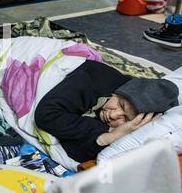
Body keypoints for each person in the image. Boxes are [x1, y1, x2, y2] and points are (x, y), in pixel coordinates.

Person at [34, 59, 179, 163]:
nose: (113, 115)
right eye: (121, 105)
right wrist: (107, 131)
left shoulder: (127, 128)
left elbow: (76, 151)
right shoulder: (90, 80)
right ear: (118, 92)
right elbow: (46, 115)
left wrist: (113, 136)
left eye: (126, 119)